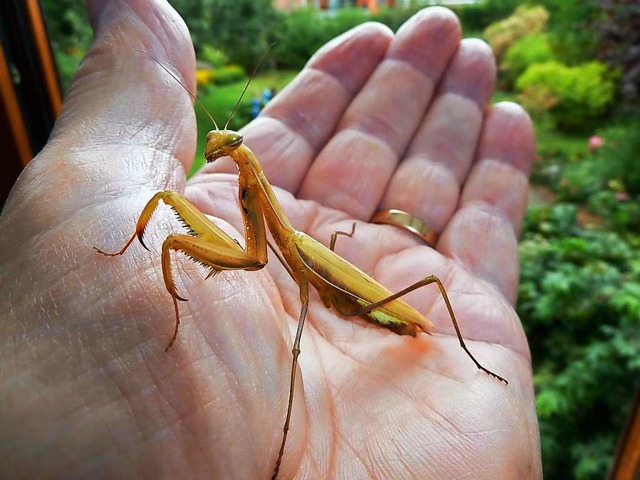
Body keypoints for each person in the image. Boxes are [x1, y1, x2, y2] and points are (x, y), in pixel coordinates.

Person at [0, 0, 541, 478]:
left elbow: (256, 258)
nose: (215, 149)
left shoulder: (267, 206)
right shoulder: (257, 199)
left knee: (413, 284)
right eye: (218, 144)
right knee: (170, 222)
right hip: (307, 262)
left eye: (225, 145)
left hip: (370, 305)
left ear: (241, 153)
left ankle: (468, 355)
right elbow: (257, 256)